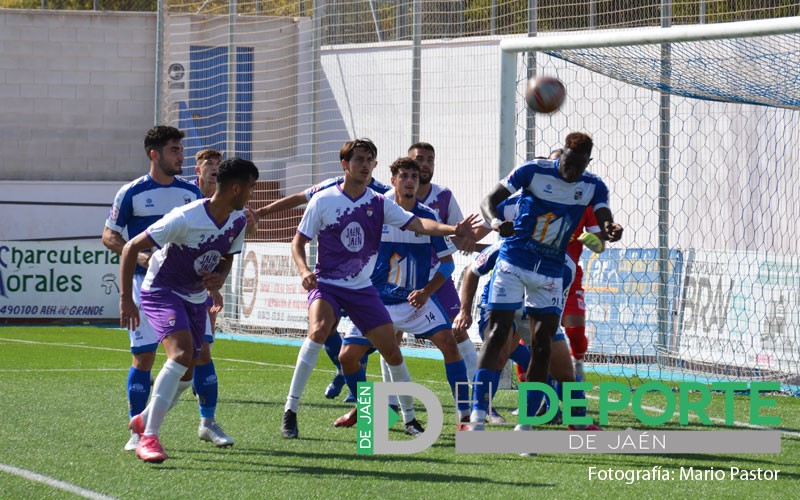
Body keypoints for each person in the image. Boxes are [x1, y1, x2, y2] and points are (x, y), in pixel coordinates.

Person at [281, 138, 478, 439]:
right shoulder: (336, 200)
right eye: (359, 159)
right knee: (334, 344)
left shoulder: (389, 206)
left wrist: (453, 231)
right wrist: (305, 269)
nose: (411, 180)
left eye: (369, 159)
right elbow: (299, 239)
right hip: (355, 291)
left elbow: (425, 231)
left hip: (402, 300)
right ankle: (311, 409)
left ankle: (452, 418)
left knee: (441, 344)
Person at [470, 132, 623, 431]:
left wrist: (609, 229)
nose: (572, 171)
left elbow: (603, 225)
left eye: (580, 165)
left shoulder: (592, 187)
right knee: (499, 335)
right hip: (514, 264)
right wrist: (495, 225)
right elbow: (490, 203)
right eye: (568, 162)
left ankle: (532, 423)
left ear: (587, 164)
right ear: (559, 156)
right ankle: (477, 412)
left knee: (546, 346)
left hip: (554, 272)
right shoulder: (531, 173)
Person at [120, 157, 258, 462]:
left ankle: (145, 417)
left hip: (195, 297)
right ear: (236, 188)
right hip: (162, 291)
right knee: (180, 355)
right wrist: (126, 300)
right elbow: (130, 247)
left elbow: (227, 257)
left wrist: (219, 277)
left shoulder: (237, 221)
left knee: (189, 369)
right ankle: (149, 437)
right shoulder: (185, 217)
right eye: (250, 188)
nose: (251, 195)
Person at [104, 126, 230, 452]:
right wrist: (140, 259)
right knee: (145, 356)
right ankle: (139, 429)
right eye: (174, 150)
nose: (181, 156)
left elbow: (212, 238)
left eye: (181, 150)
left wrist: (215, 280)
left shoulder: (191, 192)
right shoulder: (131, 192)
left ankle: (203, 421)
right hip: (147, 287)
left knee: (199, 355)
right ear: (154, 154)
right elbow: (110, 236)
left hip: (189, 288)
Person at [331, 157, 471, 432]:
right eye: (404, 176)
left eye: (414, 177)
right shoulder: (374, 209)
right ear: (393, 180)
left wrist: (426, 291)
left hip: (414, 301)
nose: (410, 181)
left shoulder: (427, 216)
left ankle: (465, 417)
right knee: (348, 357)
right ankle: (369, 408)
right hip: (376, 302)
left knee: (450, 343)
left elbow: (447, 263)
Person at [254, 149, 390, 403]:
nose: (364, 164)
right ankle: (349, 381)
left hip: (370, 277)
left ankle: (380, 400)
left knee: (375, 338)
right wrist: (262, 212)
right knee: (325, 329)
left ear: (375, 164)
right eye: (359, 159)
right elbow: (297, 198)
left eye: (368, 160)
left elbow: (411, 218)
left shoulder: (383, 195)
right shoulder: (329, 188)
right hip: (331, 277)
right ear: (346, 164)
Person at [407, 142, 480, 400]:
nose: (425, 164)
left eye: (430, 159)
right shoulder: (391, 198)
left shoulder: (444, 196)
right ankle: (390, 402)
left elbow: (460, 236)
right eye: (419, 159)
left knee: (457, 332)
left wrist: (471, 239)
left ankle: (481, 400)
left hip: (438, 278)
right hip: (398, 281)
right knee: (386, 339)